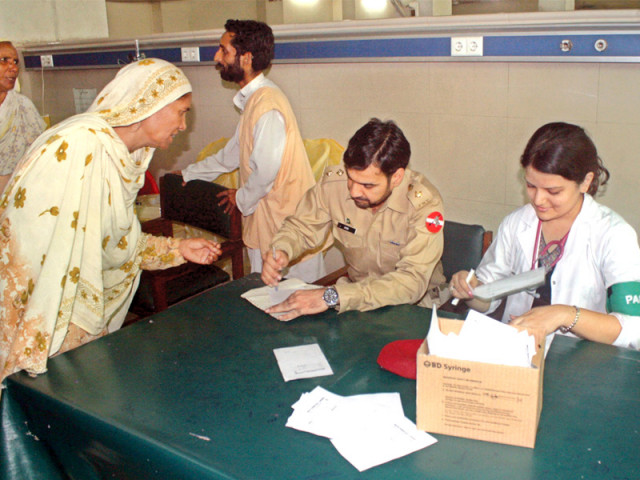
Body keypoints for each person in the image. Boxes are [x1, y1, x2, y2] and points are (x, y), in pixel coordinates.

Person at [0, 58, 222, 382]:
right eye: (181, 112)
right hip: (47, 318)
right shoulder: (76, 146)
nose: (183, 125)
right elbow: (27, 243)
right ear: (149, 104)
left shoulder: (122, 157)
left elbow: (118, 243)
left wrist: (179, 249)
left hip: (79, 321)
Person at [450, 122, 640, 350]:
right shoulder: (516, 223)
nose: (538, 200)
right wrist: (471, 291)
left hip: (580, 359)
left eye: (553, 191)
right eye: (531, 186)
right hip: (516, 352)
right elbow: (488, 299)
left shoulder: (614, 235)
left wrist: (564, 315)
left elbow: (633, 328)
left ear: (585, 182)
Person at [180, 19, 325, 282]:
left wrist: (240, 198)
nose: (217, 57)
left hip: (288, 224)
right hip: (268, 220)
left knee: (299, 296)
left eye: (224, 51)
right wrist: (188, 175)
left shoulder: (267, 104)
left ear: (246, 58)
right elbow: (230, 156)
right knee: (268, 294)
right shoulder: (255, 101)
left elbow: (266, 172)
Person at [262, 118, 447, 321]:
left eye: (368, 185)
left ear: (396, 177)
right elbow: (301, 228)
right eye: (351, 178)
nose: (354, 191)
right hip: (355, 301)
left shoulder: (424, 204)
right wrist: (282, 249)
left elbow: (411, 282)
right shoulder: (334, 185)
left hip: (414, 307)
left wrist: (332, 296)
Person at [0, 41, 46, 194]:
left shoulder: (22, 106)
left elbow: (40, 149)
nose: (13, 68)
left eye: (15, 62)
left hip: (17, 190)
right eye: (4, 60)